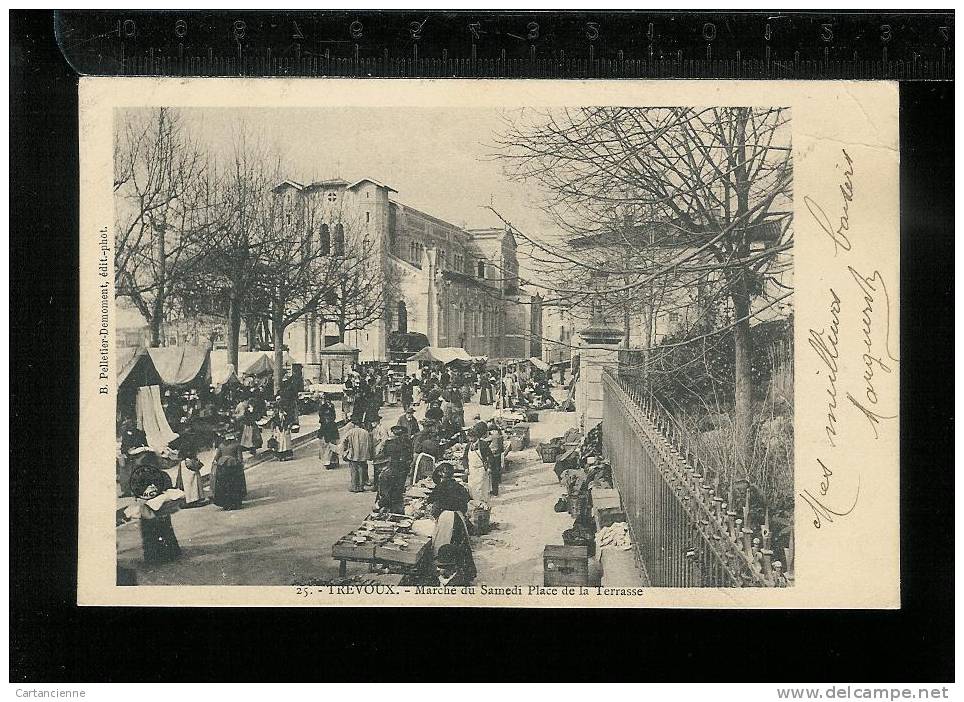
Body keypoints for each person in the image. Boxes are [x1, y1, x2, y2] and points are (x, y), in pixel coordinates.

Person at [129, 451, 181, 564]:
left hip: (148, 508)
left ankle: (153, 556)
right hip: (161, 507)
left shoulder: (140, 476)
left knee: (150, 532)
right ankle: (171, 552)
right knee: (165, 529)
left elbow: (136, 492)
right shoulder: (163, 475)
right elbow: (169, 487)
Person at [212, 431, 246, 510]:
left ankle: (226, 504)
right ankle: (235, 503)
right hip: (233, 466)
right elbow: (239, 457)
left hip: (222, 467)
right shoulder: (237, 445)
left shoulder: (221, 445)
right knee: (234, 485)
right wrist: (241, 464)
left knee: (224, 486)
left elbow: (216, 457)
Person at [341, 420, 372, 493]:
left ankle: (355, 487)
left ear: (354, 425)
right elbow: (370, 444)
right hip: (363, 454)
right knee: (361, 469)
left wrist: (345, 449)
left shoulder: (350, 432)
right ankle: (361, 486)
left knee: (354, 470)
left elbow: (344, 441)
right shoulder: (365, 432)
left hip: (353, 454)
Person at [465, 422, 492, 502]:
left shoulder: (483, 444)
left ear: (476, 437)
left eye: (472, 438)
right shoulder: (468, 446)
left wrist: (489, 467)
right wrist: (466, 468)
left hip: (481, 470)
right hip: (472, 470)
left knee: (481, 488)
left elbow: (490, 456)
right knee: (472, 488)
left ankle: (482, 503)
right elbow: (465, 458)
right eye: (469, 438)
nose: (470, 440)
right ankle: (476, 503)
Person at [316, 393, 340, 469]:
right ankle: (327, 462)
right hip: (325, 428)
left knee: (333, 444)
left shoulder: (332, 406)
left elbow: (334, 416)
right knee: (326, 446)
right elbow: (321, 416)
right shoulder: (322, 407)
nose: (328, 401)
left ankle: (334, 462)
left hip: (331, 428)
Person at [486, 421, 505, 496]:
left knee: (493, 472)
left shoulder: (493, 436)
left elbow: (488, 443)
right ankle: (498, 482)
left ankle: (494, 490)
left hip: (494, 455)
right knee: (497, 469)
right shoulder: (499, 435)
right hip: (498, 454)